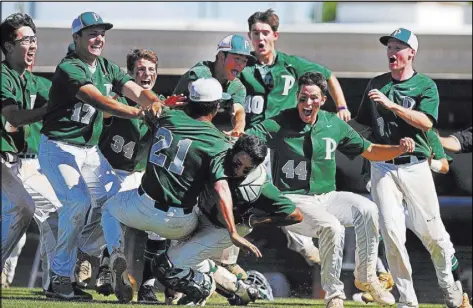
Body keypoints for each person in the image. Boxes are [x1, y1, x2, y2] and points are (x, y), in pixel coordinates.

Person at [246, 71, 416, 308]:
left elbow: (370, 150)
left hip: (326, 196)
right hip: (292, 200)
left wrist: (397, 150)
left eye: (313, 98)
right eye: (303, 97)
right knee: (333, 227)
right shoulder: (282, 120)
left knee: (367, 209)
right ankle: (334, 294)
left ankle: (366, 278)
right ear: (297, 97)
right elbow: (249, 136)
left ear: (323, 100)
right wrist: (233, 134)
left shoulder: (332, 123)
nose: (307, 103)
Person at [37, 11, 162, 300]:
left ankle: (113, 258)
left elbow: (135, 90)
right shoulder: (70, 67)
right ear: (76, 38)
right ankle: (59, 278)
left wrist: (153, 102)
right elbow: (99, 99)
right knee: (78, 201)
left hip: (89, 151)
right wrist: (138, 112)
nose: (98, 38)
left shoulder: (106, 66)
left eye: (101, 33)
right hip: (59, 147)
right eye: (91, 33)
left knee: (113, 201)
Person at [101, 77, 260, 303]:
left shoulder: (166, 117)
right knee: (190, 255)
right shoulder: (217, 140)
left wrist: (166, 104)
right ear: (215, 108)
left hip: (141, 205)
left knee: (109, 209)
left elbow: (152, 110)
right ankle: (234, 288)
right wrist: (233, 232)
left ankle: (116, 254)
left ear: (188, 102)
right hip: (179, 221)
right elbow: (220, 186)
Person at [354, 27, 467, 308]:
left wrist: (392, 106)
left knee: (435, 237)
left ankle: (451, 290)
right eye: (389, 47)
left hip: (416, 167)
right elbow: (363, 125)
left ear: (411, 53)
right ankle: (408, 301)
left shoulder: (425, 85)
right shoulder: (376, 83)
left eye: (398, 47)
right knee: (391, 234)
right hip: (383, 167)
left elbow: (427, 123)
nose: (392, 52)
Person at [158, 134, 303, 306]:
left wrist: (255, 220)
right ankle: (243, 289)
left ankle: (211, 287)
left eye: (247, 169)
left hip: (225, 228)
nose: (239, 172)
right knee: (179, 265)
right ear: (232, 153)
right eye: (237, 164)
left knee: (171, 265)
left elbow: (295, 214)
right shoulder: (218, 156)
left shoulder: (258, 185)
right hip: (203, 215)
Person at [1, 13, 63, 294]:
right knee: (21, 208)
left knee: (59, 216)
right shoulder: (3, 77)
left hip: (27, 165)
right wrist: (49, 109)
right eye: (25, 39)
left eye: (34, 39)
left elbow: (74, 94)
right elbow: (13, 117)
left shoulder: (34, 81)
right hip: (3, 163)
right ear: (8, 46)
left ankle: (57, 282)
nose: (33, 45)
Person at [173, 34, 255, 136]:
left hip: (200, 131)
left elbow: (239, 111)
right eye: (237, 58)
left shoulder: (237, 86)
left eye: (244, 61)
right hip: (176, 127)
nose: (240, 65)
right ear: (221, 56)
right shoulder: (200, 75)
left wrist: (238, 128)